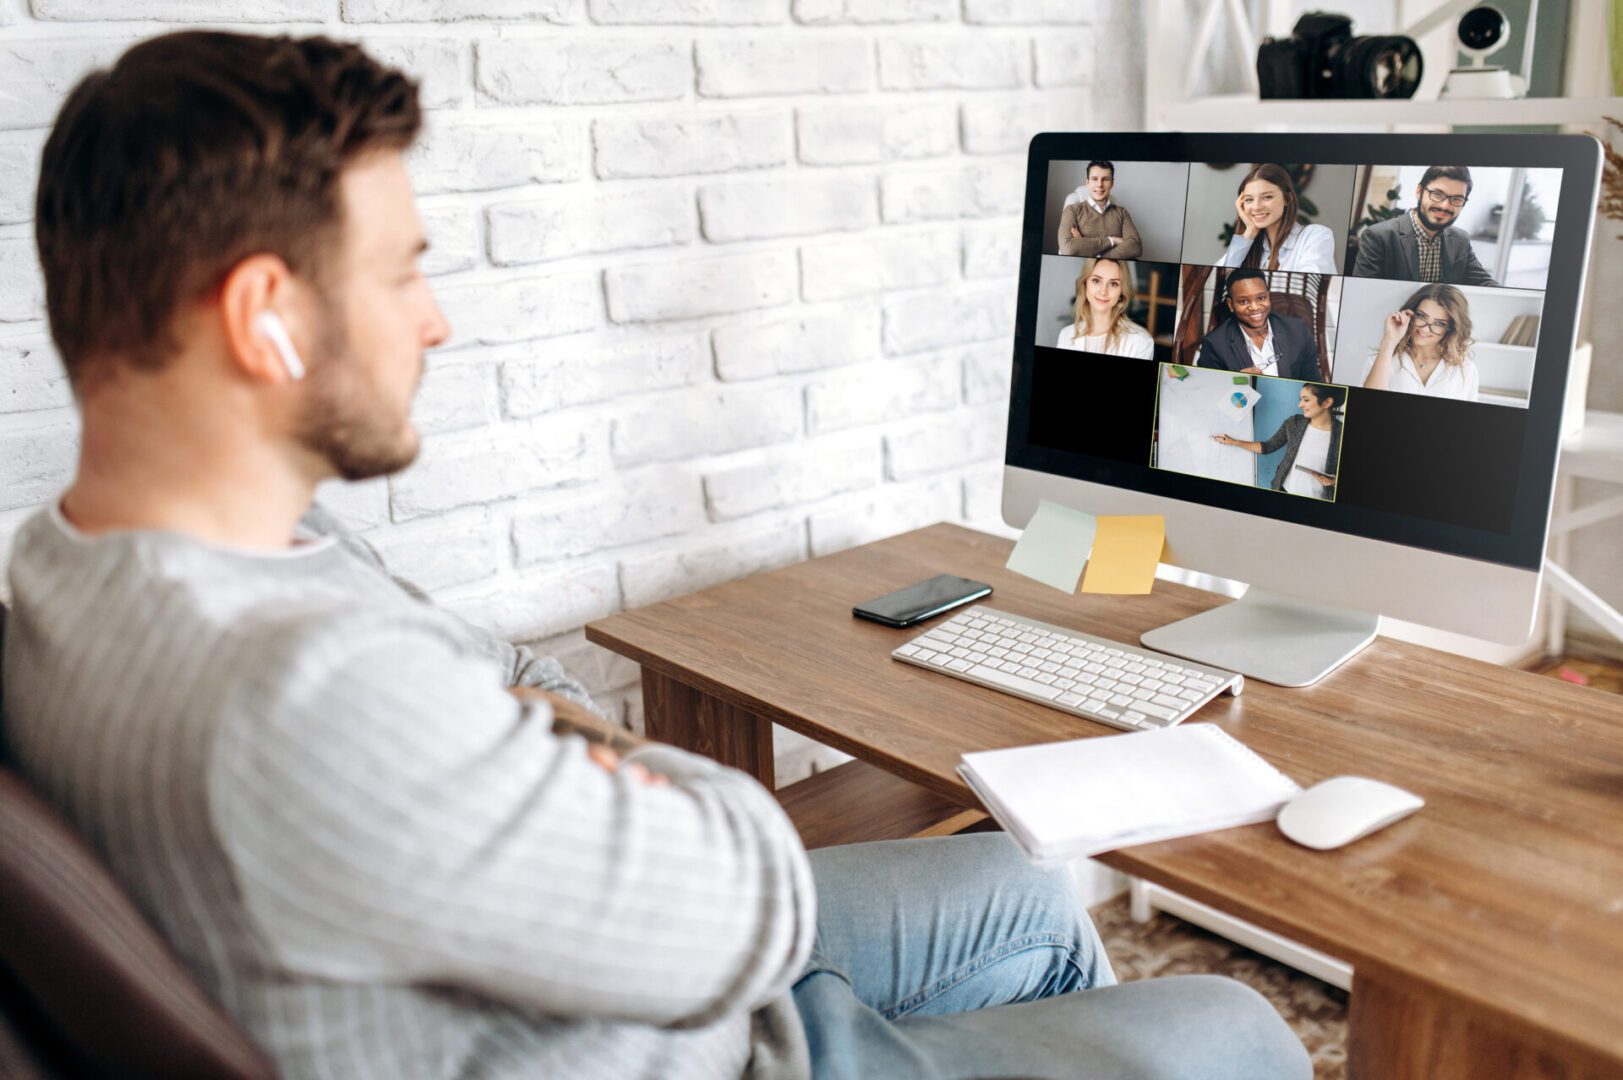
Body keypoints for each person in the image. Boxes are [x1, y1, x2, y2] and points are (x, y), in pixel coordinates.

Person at [0, 31, 1313, 1080]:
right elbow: (746, 893)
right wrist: (595, 762)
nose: (437, 322)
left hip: (591, 952)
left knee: (1016, 894)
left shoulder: (82, 567)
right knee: (1238, 1031)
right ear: (263, 319)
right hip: (693, 1038)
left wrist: (549, 748)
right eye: (400, 274)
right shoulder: (303, 695)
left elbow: (506, 679)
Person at [1351, 165, 1499, 286]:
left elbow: (1484, 282)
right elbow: (1363, 291)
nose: (1445, 206)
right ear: (1419, 191)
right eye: (1437, 194)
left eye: (1456, 199)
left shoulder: (1461, 239)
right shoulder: (1378, 237)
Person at [1212, 384, 1344, 500]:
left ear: (1327, 403)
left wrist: (1335, 481)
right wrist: (1233, 442)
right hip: (1283, 490)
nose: (1300, 405)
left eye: (1306, 400)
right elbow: (1268, 446)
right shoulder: (1294, 423)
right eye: (1300, 400)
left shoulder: (1342, 433)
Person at [1361, 283, 1480, 402]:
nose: (1425, 329)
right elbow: (1369, 404)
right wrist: (1389, 341)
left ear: (1451, 328)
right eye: (1421, 316)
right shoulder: (1382, 358)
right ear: (1411, 313)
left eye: (1439, 323)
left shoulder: (1466, 368)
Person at [1195, 268, 1320, 380]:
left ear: (1268, 296)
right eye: (1243, 301)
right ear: (1231, 305)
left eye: (1261, 298)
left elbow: (1312, 382)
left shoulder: (1298, 330)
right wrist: (1234, 382)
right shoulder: (1214, 345)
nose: (1254, 307)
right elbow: (1207, 393)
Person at [1217, 163, 1337, 274]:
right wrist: (1249, 232)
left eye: (1267, 197)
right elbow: (1217, 280)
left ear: (1287, 199)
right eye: (1249, 199)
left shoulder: (1316, 236)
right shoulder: (1252, 247)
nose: (1257, 207)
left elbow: (1306, 287)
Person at [1055, 257, 1155, 358]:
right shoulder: (1066, 335)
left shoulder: (1141, 341)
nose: (1103, 291)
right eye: (1096, 280)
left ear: (1121, 292)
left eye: (1113, 284)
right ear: (1085, 285)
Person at [1056, 160, 1143, 259]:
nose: (1100, 185)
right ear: (1087, 183)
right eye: (1094, 179)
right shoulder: (1072, 210)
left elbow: (1136, 247)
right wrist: (1112, 241)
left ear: (1112, 183)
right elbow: (1068, 248)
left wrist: (1087, 249)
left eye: (1105, 179)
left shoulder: (1121, 212)